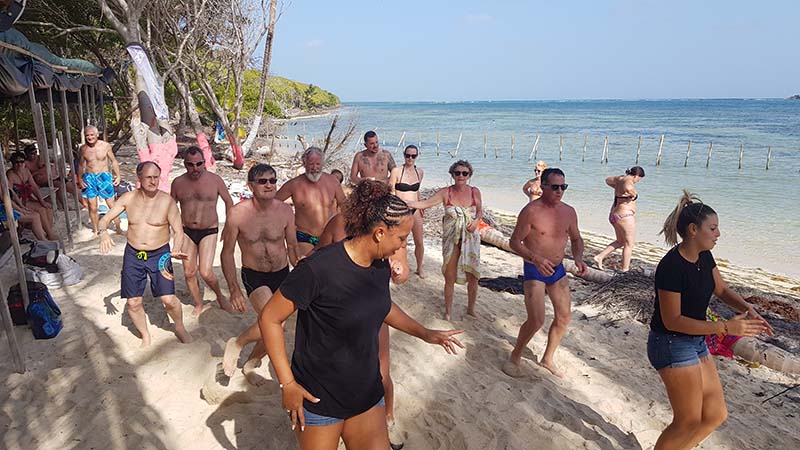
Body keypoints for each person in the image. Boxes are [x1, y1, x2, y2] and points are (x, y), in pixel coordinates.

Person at [258, 180, 464, 450]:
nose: (402, 247)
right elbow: (269, 319)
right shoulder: (318, 269)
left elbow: (383, 306)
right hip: (320, 398)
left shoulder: (379, 266)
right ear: (379, 233)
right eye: (401, 239)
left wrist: (425, 333)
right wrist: (287, 384)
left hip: (366, 391)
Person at [648, 191, 773, 450]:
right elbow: (673, 320)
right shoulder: (672, 266)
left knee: (715, 415)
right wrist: (726, 327)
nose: (718, 234)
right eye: (713, 228)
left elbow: (722, 290)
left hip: (695, 341)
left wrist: (749, 308)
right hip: (671, 342)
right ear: (693, 229)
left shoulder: (704, 256)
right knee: (687, 420)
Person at [506, 168, 588, 378]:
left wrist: (578, 258)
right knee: (536, 320)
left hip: (558, 269)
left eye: (563, 187)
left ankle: (547, 358)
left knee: (564, 316)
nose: (559, 191)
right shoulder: (531, 211)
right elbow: (514, 241)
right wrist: (535, 258)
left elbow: (577, 239)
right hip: (535, 268)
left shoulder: (569, 212)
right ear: (542, 187)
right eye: (555, 187)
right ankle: (515, 355)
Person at [98, 161, 192, 346]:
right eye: (148, 177)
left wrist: (176, 249)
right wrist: (103, 234)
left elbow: (178, 231)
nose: (153, 181)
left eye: (156, 177)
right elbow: (105, 219)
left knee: (168, 299)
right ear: (139, 178)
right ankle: (145, 335)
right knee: (133, 302)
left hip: (161, 254)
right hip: (135, 255)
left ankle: (179, 326)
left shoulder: (167, 201)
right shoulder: (128, 198)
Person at [221, 164, 299, 382]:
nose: (269, 185)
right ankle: (237, 343)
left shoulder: (285, 211)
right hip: (255, 276)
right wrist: (234, 289)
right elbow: (226, 254)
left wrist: (299, 263)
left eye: (272, 181)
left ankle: (251, 363)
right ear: (251, 185)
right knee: (276, 323)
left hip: (282, 273)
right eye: (262, 181)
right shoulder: (238, 213)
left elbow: (292, 246)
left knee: (273, 325)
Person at [407, 160, 482, 320]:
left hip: (470, 237)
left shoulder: (475, 191)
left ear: (469, 175)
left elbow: (479, 212)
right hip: (451, 238)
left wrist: (476, 222)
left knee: (473, 276)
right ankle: (448, 311)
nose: (461, 176)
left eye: (464, 173)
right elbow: (425, 204)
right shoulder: (445, 193)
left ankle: (471, 309)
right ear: (452, 174)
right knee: (450, 274)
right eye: (457, 173)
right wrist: (406, 202)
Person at [171, 146, 234, 315]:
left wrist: (228, 226)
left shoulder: (215, 180)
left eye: (199, 164)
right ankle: (198, 303)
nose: (195, 168)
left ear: (204, 162)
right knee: (189, 272)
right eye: (190, 165)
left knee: (205, 272)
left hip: (209, 230)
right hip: (186, 231)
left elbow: (229, 202)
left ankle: (220, 297)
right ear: (184, 164)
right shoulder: (178, 183)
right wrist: (174, 230)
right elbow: (171, 207)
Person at [276, 147, 345, 256]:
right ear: (304, 164)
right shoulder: (294, 184)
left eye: (318, 164)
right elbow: (273, 203)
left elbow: (345, 206)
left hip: (328, 235)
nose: (314, 168)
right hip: (304, 236)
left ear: (322, 164)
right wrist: (286, 223)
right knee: (306, 268)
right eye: (311, 164)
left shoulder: (332, 182)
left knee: (328, 270)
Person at [593, 166, 645, 271]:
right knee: (629, 244)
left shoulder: (620, 179)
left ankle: (599, 257)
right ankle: (625, 270)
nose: (638, 181)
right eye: (639, 179)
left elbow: (607, 180)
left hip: (615, 215)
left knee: (620, 241)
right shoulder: (628, 180)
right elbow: (629, 187)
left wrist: (618, 187)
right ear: (636, 176)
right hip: (625, 216)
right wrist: (633, 194)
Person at [78, 126, 122, 234]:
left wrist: (118, 176)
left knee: (111, 204)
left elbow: (113, 161)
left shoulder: (105, 146)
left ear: (97, 135)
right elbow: (80, 165)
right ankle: (96, 229)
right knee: (92, 206)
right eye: (87, 135)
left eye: (92, 135)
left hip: (104, 177)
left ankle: (118, 228)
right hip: (90, 178)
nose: (90, 137)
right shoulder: (83, 149)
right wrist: (79, 179)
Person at [389, 144, 425, 277]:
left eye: (413, 156)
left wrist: (421, 205)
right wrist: (395, 208)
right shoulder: (397, 171)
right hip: (401, 210)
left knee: (419, 241)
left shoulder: (419, 172)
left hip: (416, 208)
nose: (410, 158)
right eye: (408, 155)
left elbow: (417, 190)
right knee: (398, 240)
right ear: (404, 155)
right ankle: (394, 266)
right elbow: (391, 191)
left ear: (417, 156)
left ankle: (420, 267)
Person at [6, 151, 57, 240]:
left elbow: (34, 187)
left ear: (24, 162)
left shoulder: (26, 171)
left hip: (27, 198)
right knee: (40, 210)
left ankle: (48, 232)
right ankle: (48, 234)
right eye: (16, 162)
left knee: (48, 208)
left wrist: (42, 201)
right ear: (12, 163)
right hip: (18, 201)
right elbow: (11, 194)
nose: (19, 165)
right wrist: (21, 207)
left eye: (21, 162)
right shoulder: (10, 175)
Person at [23, 143, 81, 208]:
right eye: (32, 154)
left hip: (52, 178)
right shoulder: (25, 164)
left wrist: (36, 172)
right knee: (61, 186)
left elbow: (47, 168)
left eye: (35, 152)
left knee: (72, 187)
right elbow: (26, 175)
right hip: (43, 182)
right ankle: (65, 206)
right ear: (27, 155)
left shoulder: (39, 158)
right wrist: (36, 173)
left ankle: (83, 203)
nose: (34, 155)